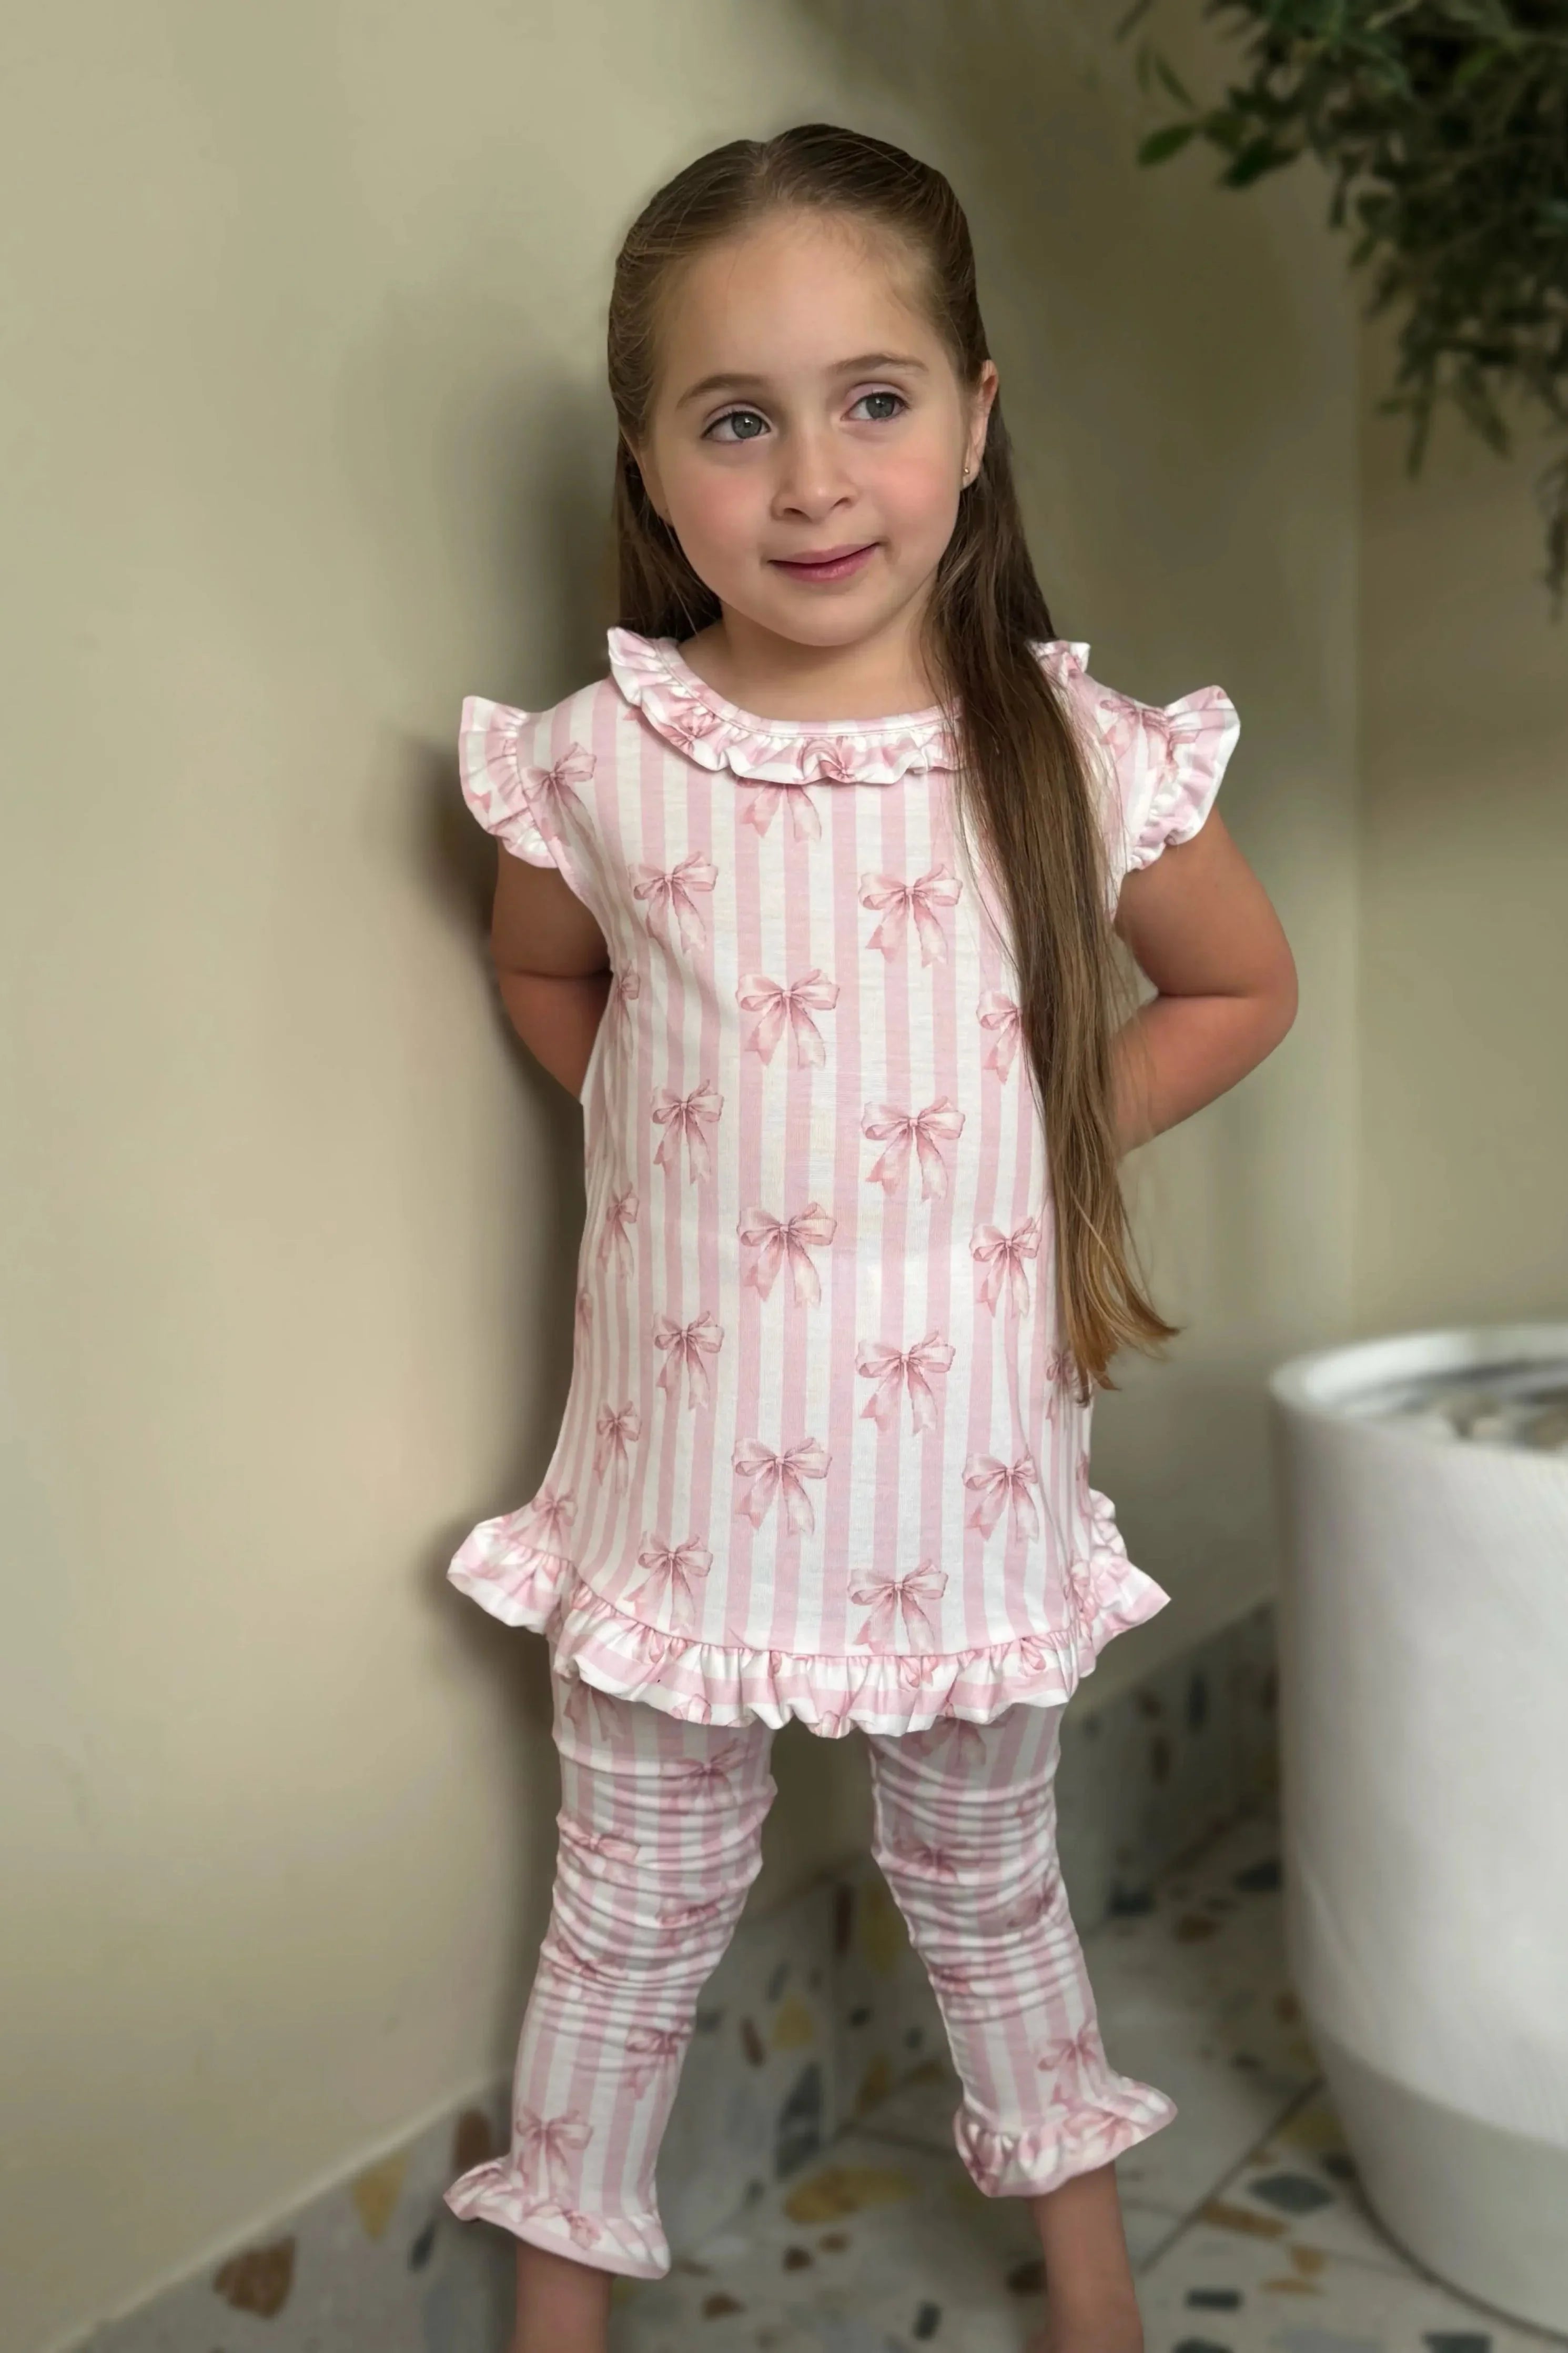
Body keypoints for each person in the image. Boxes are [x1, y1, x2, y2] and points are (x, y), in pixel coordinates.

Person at [443, 122, 1297, 2353]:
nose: (814, 479)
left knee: (988, 1883)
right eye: (736, 421)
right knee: (630, 1904)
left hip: (959, 1476)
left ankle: (1091, 2292)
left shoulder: (1080, 755)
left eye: (875, 399)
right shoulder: (600, 764)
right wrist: (683, 1140)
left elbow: (1235, 987)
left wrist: (1036, 1139)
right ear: (651, 469)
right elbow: (548, 973)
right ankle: (556, 2317)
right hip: (679, 1474)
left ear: (975, 420)